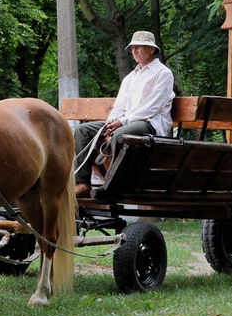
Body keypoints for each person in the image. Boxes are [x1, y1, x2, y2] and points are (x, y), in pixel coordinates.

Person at [74, 30, 175, 197]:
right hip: (127, 121)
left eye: (139, 47)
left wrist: (122, 122)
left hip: (150, 123)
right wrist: (110, 123)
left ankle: (115, 184)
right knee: (82, 131)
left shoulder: (163, 73)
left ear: (151, 49)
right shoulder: (130, 77)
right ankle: (83, 182)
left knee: (120, 134)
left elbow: (152, 107)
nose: (134, 51)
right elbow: (120, 105)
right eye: (132, 47)